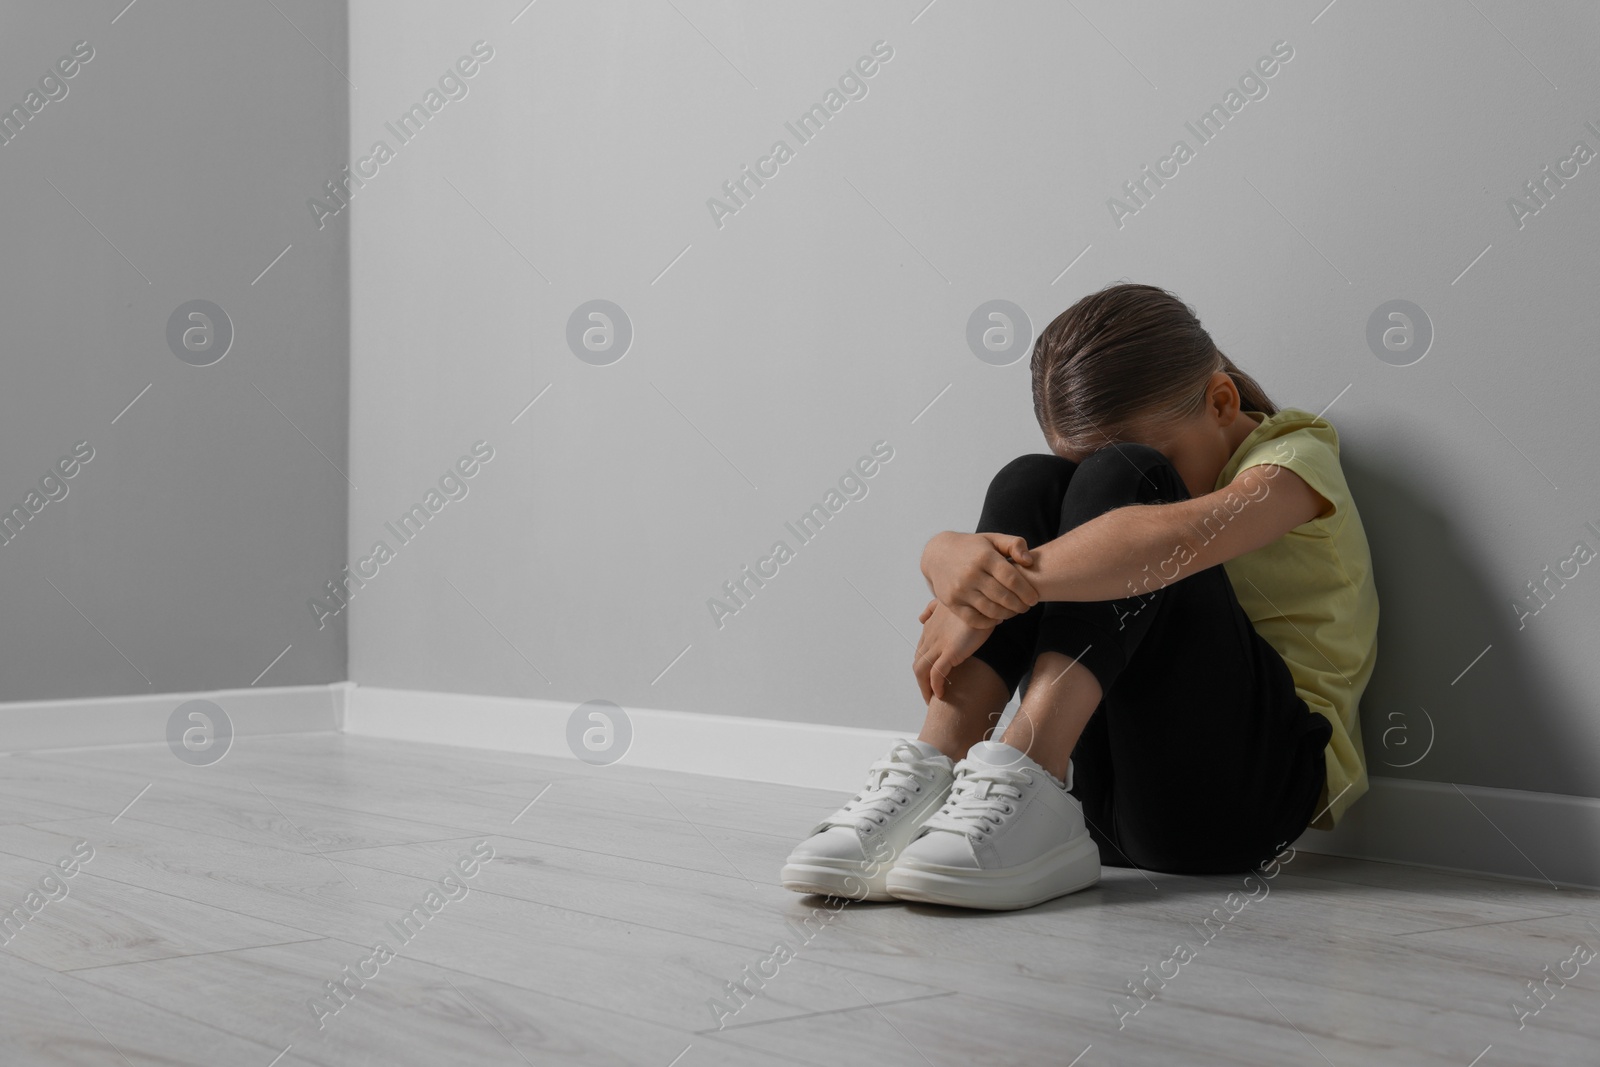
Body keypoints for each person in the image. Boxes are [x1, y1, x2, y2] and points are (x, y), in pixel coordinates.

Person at [781, 282, 1380, 911]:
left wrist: (979, 593)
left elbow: (1174, 538)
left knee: (1130, 480)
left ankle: (1024, 764)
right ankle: (936, 775)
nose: (1092, 488)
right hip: (1101, 804)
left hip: (1241, 803)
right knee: (1032, 480)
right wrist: (941, 552)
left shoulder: (1295, 459)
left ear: (1223, 402)